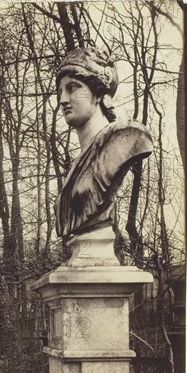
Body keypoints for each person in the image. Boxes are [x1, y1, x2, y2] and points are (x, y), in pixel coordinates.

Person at [54, 47, 153, 239]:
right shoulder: (78, 163)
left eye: (73, 88)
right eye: (60, 92)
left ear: (98, 93)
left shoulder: (126, 137)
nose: (63, 100)